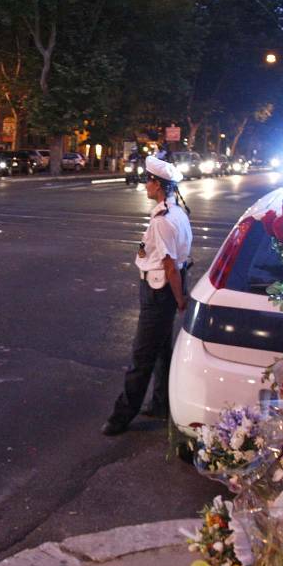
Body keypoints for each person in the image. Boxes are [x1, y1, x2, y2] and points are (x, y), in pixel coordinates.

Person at [102, 155, 193, 436]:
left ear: (159, 185)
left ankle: (121, 416)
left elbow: (170, 265)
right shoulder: (175, 212)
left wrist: (180, 299)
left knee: (141, 357)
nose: (145, 185)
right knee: (162, 352)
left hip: (158, 292)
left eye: (148, 181)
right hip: (161, 292)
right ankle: (161, 404)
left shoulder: (163, 221)